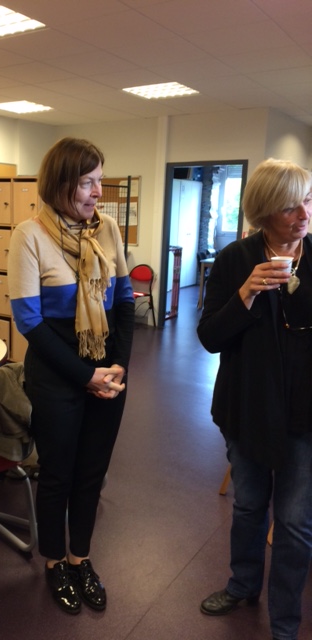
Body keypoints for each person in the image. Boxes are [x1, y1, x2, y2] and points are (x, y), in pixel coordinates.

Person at [8, 137, 135, 614]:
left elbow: (125, 302)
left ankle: (80, 558)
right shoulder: (29, 235)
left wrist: (118, 366)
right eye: (87, 182)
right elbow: (30, 322)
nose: (98, 192)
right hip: (58, 376)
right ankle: (54, 561)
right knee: (58, 475)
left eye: (99, 180)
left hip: (108, 374)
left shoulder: (107, 230)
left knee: (91, 473)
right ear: (60, 183)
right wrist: (86, 376)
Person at [197, 158, 312, 640]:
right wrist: (244, 294)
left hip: (304, 414)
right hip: (246, 408)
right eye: (291, 207)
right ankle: (242, 584)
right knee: (248, 507)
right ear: (264, 212)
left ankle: (285, 622)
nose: (304, 215)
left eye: (308, 201)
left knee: (295, 523)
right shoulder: (234, 260)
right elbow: (209, 337)